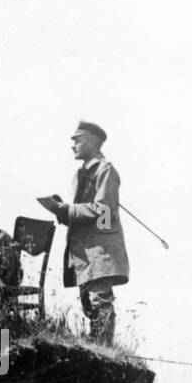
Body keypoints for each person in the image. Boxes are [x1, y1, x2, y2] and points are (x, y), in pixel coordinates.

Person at [40, 121, 128, 344]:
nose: (73, 145)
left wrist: (68, 210)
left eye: (77, 140)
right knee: (89, 304)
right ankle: (99, 344)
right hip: (85, 251)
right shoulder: (85, 173)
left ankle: (104, 346)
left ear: (91, 141)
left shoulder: (105, 171)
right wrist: (63, 213)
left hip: (99, 250)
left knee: (99, 301)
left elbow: (104, 213)